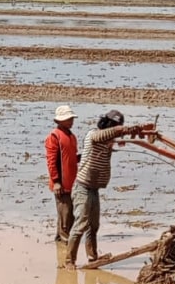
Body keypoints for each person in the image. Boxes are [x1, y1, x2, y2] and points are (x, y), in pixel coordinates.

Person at [65, 110, 153, 269]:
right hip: (83, 188)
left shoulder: (108, 140)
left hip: (94, 189)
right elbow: (114, 133)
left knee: (93, 226)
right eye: (115, 126)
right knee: (80, 225)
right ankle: (69, 262)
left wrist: (139, 132)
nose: (116, 129)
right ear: (108, 125)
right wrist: (130, 129)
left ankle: (93, 258)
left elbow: (115, 136)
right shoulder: (94, 135)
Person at [45, 105, 79, 243]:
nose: (71, 121)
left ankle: (61, 242)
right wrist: (56, 182)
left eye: (71, 118)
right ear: (59, 121)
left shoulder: (71, 136)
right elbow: (51, 161)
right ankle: (66, 250)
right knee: (65, 216)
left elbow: (71, 157)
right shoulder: (54, 137)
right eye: (68, 119)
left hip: (71, 182)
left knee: (68, 216)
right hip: (61, 184)